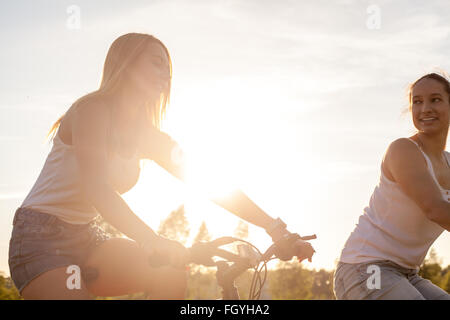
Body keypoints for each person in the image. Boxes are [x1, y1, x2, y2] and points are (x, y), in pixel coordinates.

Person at [8, 32, 315, 300]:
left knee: (169, 271)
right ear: (126, 64)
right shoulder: (92, 110)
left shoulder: (149, 137)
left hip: (87, 238)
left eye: (167, 67)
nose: (165, 73)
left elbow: (212, 184)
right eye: (155, 62)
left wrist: (274, 228)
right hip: (40, 237)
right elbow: (97, 189)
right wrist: (151, 239)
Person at [334, 72, 450, 300]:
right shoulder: (403, 150)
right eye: (417, 102)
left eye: (435, 99)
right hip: (366, 269)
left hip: (405, 274)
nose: (425, 108)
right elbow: (435, 209)